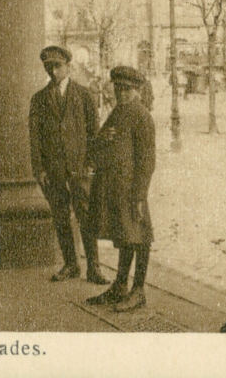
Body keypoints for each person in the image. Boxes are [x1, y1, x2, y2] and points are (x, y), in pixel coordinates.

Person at [29, 45, 108, 285]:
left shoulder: (84, 95)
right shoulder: (39, 99)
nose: (53, 72)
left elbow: (94, 134)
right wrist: (39, 169)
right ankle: (71, 265)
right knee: (61, 217)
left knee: (86, 217)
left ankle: (93, 268)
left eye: (57, 66)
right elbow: (35, 138)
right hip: (53, 170)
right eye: (49, 67)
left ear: (68, 66)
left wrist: (91, 165)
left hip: (80, 168)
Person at [87, 65, 156, 313]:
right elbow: (95, 147)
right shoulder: (117, 112)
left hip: (131, 191)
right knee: (126, 236)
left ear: (137, 90)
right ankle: (119, 285)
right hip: (114, 188)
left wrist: (139, 195)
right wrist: (100, 141)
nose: (122, 94)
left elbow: (147, 161)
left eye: (127, 90)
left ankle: (138, 291)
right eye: (118, 89)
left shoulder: (141, 116)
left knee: (140, 237)